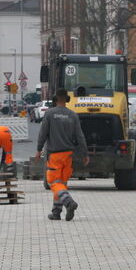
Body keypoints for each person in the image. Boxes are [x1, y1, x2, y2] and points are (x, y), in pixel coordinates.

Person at [37, 90, 89, 221]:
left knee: (53, 183)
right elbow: (80, 136)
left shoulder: (50, 114)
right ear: (66, 99)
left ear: (55, 99)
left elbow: (43, 133)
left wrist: (39, 150)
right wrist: (85, 153)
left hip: (55, 155)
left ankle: (69, 203)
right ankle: (56, 212)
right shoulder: (73, 115)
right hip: (68, 156)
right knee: (61, 184)